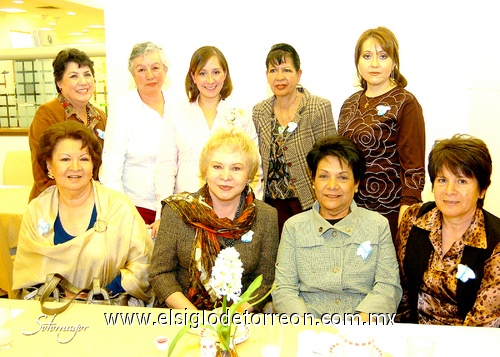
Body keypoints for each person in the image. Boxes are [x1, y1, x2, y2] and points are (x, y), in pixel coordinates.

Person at [13, 121, 152, 303]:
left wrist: (100, 294)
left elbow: (143, 263)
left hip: (110, 305)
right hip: (51, 308)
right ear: (49, 166)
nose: (76, 167)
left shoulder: (118, 207)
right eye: (65, 159)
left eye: (84, 159)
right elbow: (27, 273)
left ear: (93, 164)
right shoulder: (37, 210)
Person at [273, 135, 402, 320]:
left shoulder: (377, 225)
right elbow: (284, 288)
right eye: (324, 176)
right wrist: (308, 327)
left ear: (356, 183)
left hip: (362, 328)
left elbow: (388, 286)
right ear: (313, 181)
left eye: (342, 177)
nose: (332, 186)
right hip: (306, 327)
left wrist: (359, 324)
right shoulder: (294, 227)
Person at [150, 127, 278, 312]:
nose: (225, 176)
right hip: (182, 316)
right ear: (205, 170)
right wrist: (195, 317)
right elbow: (160, 274)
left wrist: (231, 317)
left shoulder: (266, 216)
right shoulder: (177, 211)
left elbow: (265, 281)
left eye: (236, 168)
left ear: (249, 174)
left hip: (238, 320)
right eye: (217, 166)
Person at [153, 45, 263, 237]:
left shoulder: (241, 115)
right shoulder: (177, 112)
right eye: (202, 73)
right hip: (186, 208)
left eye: (216, 72)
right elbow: (165, 166)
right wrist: (163, 212)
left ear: (225, 74)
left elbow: (254, 169)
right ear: (193, 77)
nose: (210, 80)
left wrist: (253, 211)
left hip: (230, 212)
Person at [396, 134, 500, 327]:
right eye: (442, 180)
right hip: (411, 336)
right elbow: (401, 292)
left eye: (461, 181)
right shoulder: (414, 218)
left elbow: (483, 324)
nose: (449, 190)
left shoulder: (495, 242)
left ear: (482, 189)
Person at [337, 27, 425, 242]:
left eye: (382, 56)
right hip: (351, 209)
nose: (374, 63)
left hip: (391, 211)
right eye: (367, 56)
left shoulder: (406, 102)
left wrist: (407, 212)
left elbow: (413, 166)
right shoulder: (349, 103)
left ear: (394, 62)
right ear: (357, 62)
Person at [252, 43, 336, 236]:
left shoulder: (318, 107)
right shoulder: (259, 112)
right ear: (267, 76)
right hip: (271, 206)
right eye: (273, 70)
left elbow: (331, 160)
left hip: (308, 202)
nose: (279, 77)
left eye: (286, 70)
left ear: (298, 74)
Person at [100, 42, 168, 227]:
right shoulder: (123, 110)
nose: (150, 75)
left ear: (165, 70)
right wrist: (125, 213)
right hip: (137, 208)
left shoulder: (179, 105)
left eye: (155, 68)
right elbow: (111, 167)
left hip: (174, 206)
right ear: (132, 74)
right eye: (141, 69)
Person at [28, 48, 107, 202]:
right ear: (59, 83)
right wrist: (76, 201)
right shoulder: (47, 114)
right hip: (54, 203)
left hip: (93, 202)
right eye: (73, 76)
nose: (83, 82)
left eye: (87, 75)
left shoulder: (99, 116)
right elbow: (42, 171)